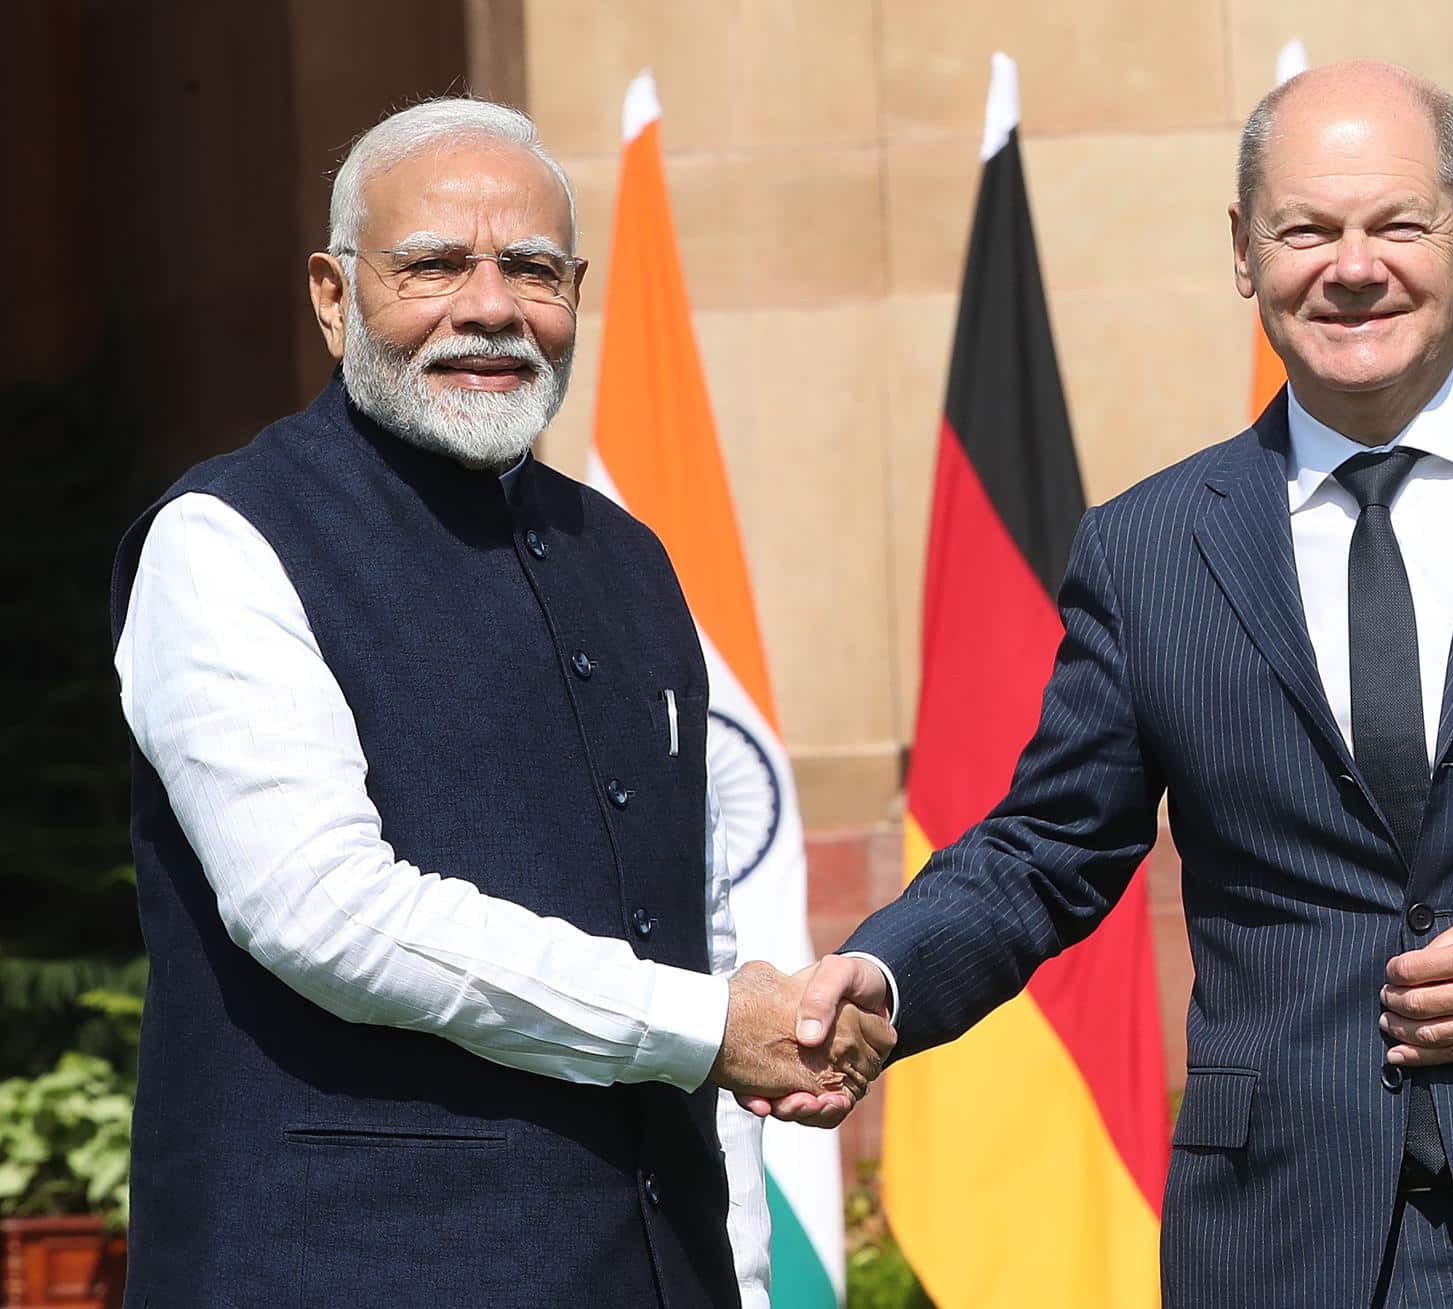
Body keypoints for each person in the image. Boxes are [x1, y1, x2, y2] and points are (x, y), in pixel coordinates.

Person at [770, 61, 1453, 1308]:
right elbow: (1048, 847)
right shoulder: (1150, 547)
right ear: (1243, 252)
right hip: (1280, 1241)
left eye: (1397, 224)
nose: (1352, 266)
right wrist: (887, 973)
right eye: (1306, 228)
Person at [108, 97, 890, 1308]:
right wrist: (701, 1023)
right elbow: (320, 910)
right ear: (331, 294)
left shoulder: (628, 558)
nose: (488, 307)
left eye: (530, 268)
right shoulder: (224, 542)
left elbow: (698, 926)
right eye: (431, 265)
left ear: (575, 290)